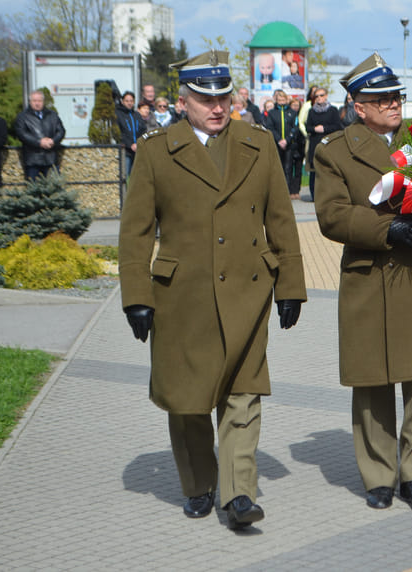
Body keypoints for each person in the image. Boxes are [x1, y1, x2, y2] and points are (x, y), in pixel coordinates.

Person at [118, 50, 306, 531]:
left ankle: (239, 494)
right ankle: (198, 483)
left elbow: (280, 218)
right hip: (183, 296)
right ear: (183, 101)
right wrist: (136, 295)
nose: (217, 107)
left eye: (223, 96)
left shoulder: (258, 143)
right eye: (205, 98)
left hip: (248, 289)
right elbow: (136, 229)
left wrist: (291, 285)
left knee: (243, 394)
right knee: (189, 398)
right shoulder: (158, 149)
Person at [313, 53, 412, 511]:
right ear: (359, 106)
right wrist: (387, 229)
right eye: (381, 99)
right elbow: (331, 214)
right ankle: (379, 475)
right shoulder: (334, 150)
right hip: (371, 275)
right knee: (372, 379)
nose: (394, 105)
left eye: (396, 97)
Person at [14, 90, 66, 181]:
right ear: (30, 102)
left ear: (43, 101)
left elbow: (61, 131)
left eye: (39, 101)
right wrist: (39, 142)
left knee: (54, 189)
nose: (37, 103)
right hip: (33, 159)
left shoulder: (52, 115)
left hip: (51, 158)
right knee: (33, 190)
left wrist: (53, 141)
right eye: (34, 101)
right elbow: (21, 134)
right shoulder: (22, 116)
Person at [305, 87, 342, 202]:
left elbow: (337, 126)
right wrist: (315, 129)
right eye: (316, 96)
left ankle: (329, 195)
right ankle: (314, 195)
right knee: (314, 171)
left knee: (328, 170)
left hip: (328, 144)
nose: (319, 98)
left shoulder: (333, 110)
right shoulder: (312, 111)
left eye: (321, 95)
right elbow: (307, 127)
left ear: (326, 96)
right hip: (315, 143)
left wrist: (324, 128)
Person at [264, 90, 298, 197]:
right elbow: (270, 127)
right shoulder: (272, 113)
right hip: (277, 144)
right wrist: (279, 140)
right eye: (279, 100)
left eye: (283, 100)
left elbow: (295, 127)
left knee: (288, 168)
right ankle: (276, 191)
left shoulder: (292, 113)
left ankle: (287, 191)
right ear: (276, 100)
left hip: (289, 144)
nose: (281, 102)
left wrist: (287, 140)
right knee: (277, 167)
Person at [115, 91, 146, 175]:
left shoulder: (137, 115)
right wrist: (130, 144)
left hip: (137, 149)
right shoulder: (118, 114)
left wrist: (139, 143)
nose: (129, 103)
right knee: (125, 174)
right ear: (122, 101)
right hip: (126, 150)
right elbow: (119, 132)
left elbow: (143, 130)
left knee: (137, 175)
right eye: (127, 101)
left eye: (131, 101)